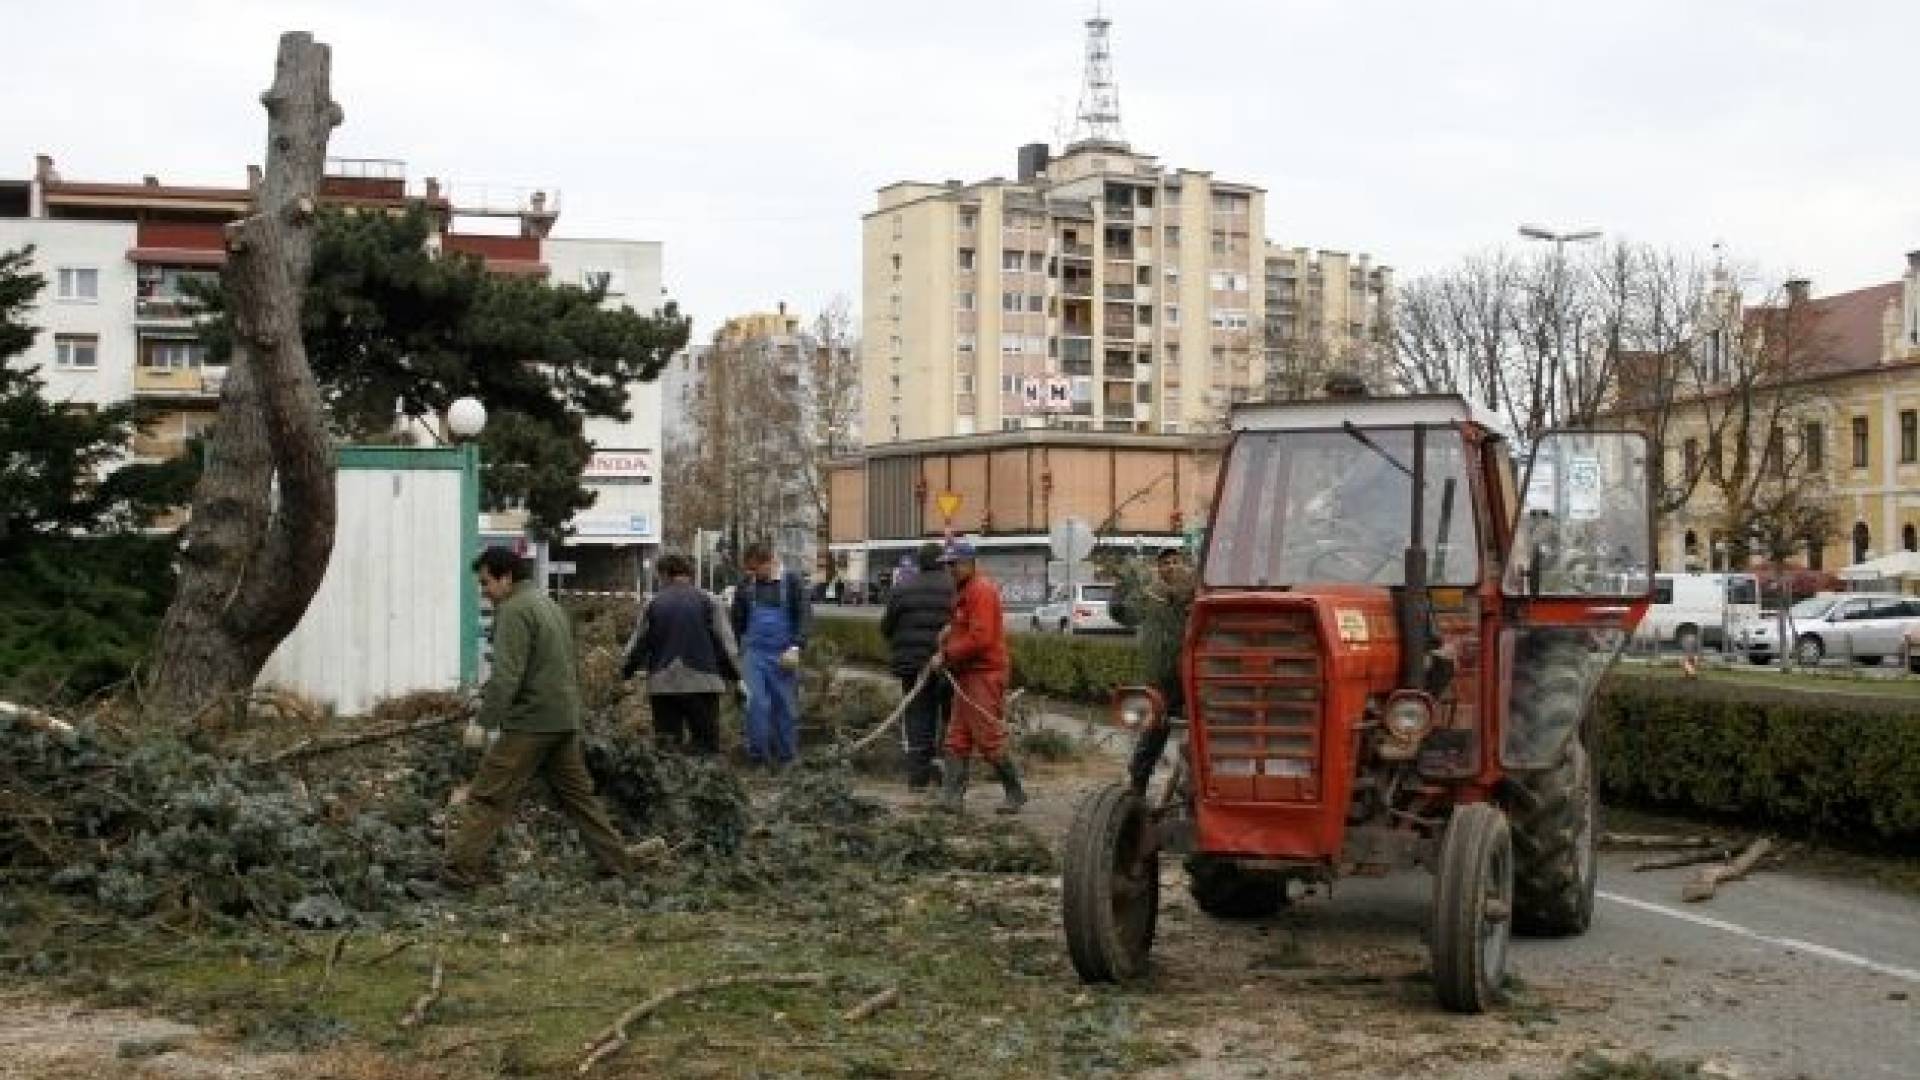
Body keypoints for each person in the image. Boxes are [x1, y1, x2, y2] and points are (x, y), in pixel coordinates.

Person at [444, 547, 640, 887]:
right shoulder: (549, 605)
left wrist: (483, 722)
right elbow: (547, 664)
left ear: (506, 577)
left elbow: (508, 676)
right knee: (581, 800)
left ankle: (457, 874)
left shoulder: (514, 610)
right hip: (563, 719)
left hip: (530, 723)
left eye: (486, 582)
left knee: (488, 796)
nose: (484, 592)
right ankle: (619, 866)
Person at [933, 540, 1025, 814]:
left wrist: (947, 654)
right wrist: (949, 632)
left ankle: (1015, 792)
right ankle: (951, 800)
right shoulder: (964, 591)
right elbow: (967, 626)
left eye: (954, 564)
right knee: (957, 737)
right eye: (947, 564)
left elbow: (981, 638)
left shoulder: (981, 591)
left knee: (988, 738)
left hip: (984, 674)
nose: (950, 569)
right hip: (968, 674)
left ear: (970, 563)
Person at [621, 552, 741, 755]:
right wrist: (737, 677)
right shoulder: (710, 601)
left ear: (666, 574)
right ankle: (704, 783)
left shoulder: (654, 604)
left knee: (667, 748)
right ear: (689, 575)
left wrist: (625, 672)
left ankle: (672, 784)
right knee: (706, 744)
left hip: (663, 683)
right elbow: (727, 645)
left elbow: (638, 644)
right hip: (704, 683)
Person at [1109, 547, 1196, 798]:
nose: (1171, 567)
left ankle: (1189, 788)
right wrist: (1121, 588)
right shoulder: (1150, 599)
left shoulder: (1198, 594)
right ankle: (1137, 791)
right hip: (1161, 682)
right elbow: (1125, 615)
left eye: (1176, 561)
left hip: (1192, 680)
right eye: (1165, 563)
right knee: (1151, 738)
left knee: (1200, 739)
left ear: (1185, 564)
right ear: (1159, 569)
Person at [729, 542, 811, 768]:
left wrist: (797, 646)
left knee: (784, 706)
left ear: (770, 561)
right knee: (755, 704)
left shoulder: (792, 582)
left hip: (783, 654)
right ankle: (758, 758)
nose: (753, 574)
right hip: (754, 654)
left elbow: (804, 615)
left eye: (756, 569)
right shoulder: (746, 585)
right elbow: (737, 621)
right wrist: (736, 651)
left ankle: (787, 758)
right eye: (750, 570)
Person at [880, 542, 954, 791]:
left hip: (913, 664)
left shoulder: (902, 588)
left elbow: (887, 627)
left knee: (918, 716)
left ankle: (918, 778)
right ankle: (946, 770)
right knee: (950, 716)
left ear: (919, 563)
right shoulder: (954, 587)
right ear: (944, 562)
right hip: (950, 664)